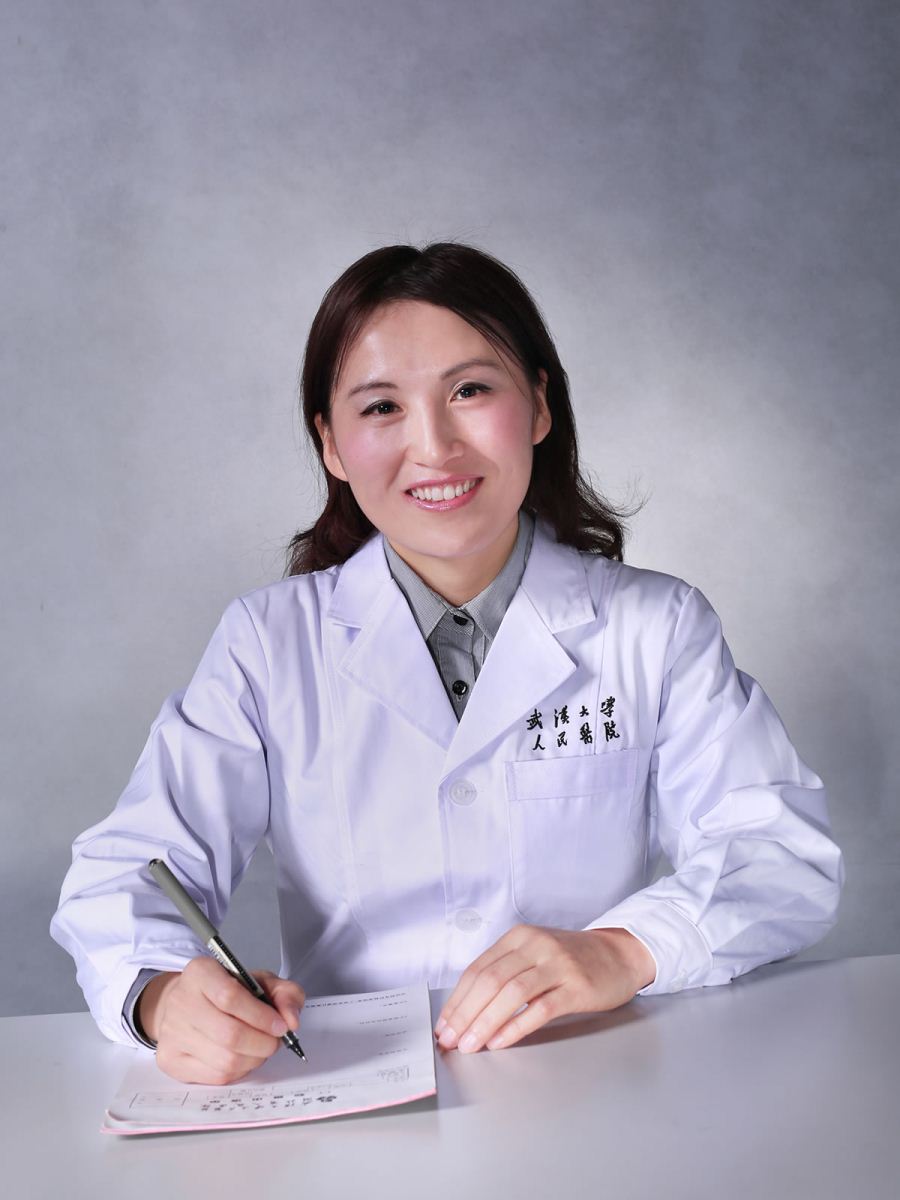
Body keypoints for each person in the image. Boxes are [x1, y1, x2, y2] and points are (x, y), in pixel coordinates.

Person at [51, 242, 843, 1086]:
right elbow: (128, 872)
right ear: (331, 444)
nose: (433, 447)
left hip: (593, 1081)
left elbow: (775, 852)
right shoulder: (267, 643)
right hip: (354, 1096)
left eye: (470, 391)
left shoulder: (656, 626)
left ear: (539, 405)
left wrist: (623, 950)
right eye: (381, 407)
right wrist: (162, 997)